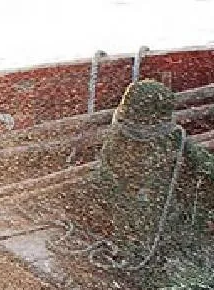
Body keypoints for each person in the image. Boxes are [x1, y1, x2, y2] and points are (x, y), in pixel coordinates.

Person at [90, 78, 214, 275]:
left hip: (132, 224)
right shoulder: (170, 140)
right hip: (158, 229)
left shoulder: (119, 138)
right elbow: (206, 169)